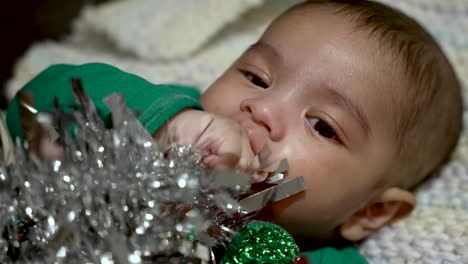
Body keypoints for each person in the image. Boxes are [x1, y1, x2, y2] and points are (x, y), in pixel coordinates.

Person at [5, 0, 462, 262]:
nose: (261, 109)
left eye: (322, 125)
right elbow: (32, 102)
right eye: (256, 77)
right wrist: (164, 124)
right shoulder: (168, 111)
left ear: (371, 211)